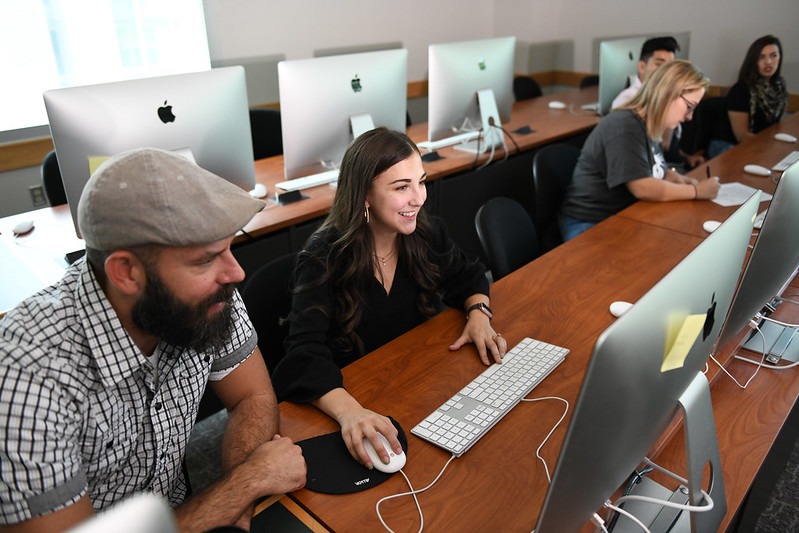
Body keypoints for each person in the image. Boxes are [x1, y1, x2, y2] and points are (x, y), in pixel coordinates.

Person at [0, 148, 306, 533]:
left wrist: (235, 511)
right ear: (126, 272)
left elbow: (253, 397)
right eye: (205, 259)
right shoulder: (28, 373)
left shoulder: (208, 296)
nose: (236, 272)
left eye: (229, 248)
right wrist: (245, 483)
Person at [271, 128, 505, 469]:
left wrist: (479, 315)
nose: (418, 198)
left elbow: (468, 275)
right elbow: (303, 354)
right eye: (401, 188)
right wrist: (350, 412)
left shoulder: (424, 232)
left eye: (421, 182)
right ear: (365, 194)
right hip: (359, 395)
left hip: (417, 383)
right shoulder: (323, 258)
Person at [559, 60, 721, 241]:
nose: (690, 116)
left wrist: (672, 176)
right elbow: (643, 187)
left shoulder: (650, 124)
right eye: (689, 107)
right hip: (589, 222)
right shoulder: (625, 125)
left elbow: (647, 166)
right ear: (667, 94)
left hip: (622, 214)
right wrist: (697, 191)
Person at [707, 35, 788, 158]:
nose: (768, 62)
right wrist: (772, 147)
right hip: (727, 145)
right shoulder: (742, 89)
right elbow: (742, 136)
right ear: (753, 60)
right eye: (762, 57)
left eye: (773, 56)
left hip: (761, 144)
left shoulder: (779, 87)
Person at [611, 36, 681, 110]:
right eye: (659, 64)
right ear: (642, 67)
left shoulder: (670, 99)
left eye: (670, 66)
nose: (666, 71)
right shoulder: (628, 100)